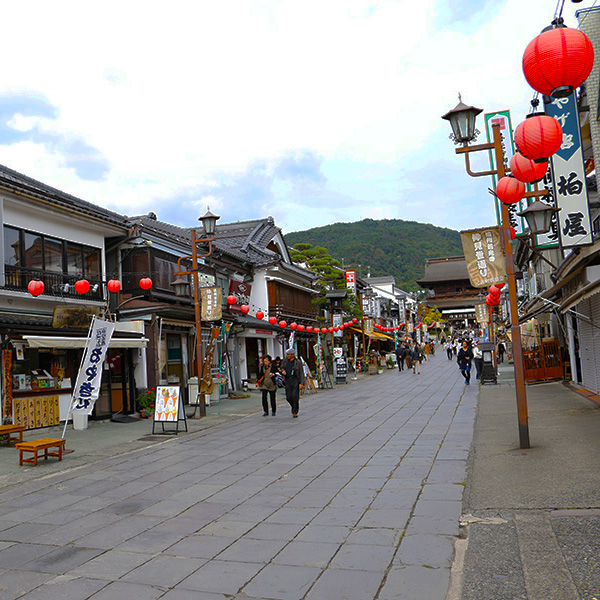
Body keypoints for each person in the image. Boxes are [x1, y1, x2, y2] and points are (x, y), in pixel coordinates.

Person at [281, 347, 305, 418]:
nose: (287, 356)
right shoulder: (285, 361)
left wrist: (301, 383)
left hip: (295, 380)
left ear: (292, 355)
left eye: (289, 354)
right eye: (287, 354)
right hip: (287, 380)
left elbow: (301, 373)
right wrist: (283, 371)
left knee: (295, 396)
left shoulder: (298, 362)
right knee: (288, 397)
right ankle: (293, 406)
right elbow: (281, 367)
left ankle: (295, 411)